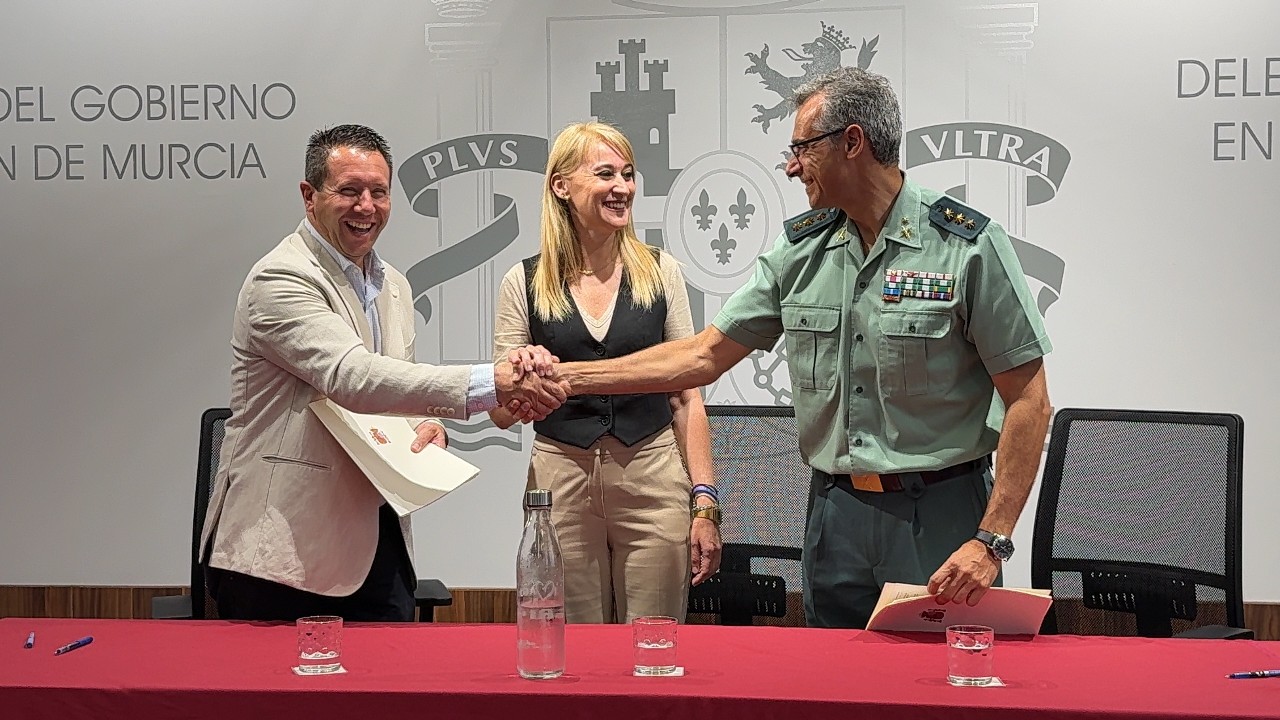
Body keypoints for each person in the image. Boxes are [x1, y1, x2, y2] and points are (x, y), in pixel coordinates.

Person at [553, 68, 1053, 628]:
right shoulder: (801, 251)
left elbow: (1030, 401)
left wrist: (991, 540)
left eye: (803, 148)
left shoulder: (966, 247)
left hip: (939, 516)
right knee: (830, 675)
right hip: (835, 516)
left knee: (942, 675)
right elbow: (704, 356)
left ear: (852, 142)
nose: (792, 166)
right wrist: (567, 379)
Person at [200, 124, 566, 622]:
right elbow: (353, 378)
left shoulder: (392, 283)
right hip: (285, 551)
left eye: (379, 192)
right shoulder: (280, 278)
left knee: (390, 673)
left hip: (380, 539)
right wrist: (493, 383)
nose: (366, 207)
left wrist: (425, 424)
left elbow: (396, 384)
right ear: (309, 196)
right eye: (349, 190)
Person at [491, 121, 722, 623]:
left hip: (653, 475)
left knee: (654, 642)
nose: (623, 187)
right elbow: (501, 414)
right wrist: (523, 382)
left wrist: (704, 502)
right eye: (605, 174)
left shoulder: (662, 272)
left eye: (628, 174)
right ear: (561, 186)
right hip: (560, 478)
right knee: (572, 645)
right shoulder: (522, 281)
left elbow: (687, 397)